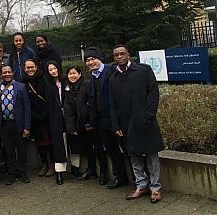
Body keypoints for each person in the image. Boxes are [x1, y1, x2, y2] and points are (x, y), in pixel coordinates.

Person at [109, 45, 164, 204]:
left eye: (122, 54)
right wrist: (116, 125)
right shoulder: (112, 78)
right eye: (116, 55)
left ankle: (155, 188)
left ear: (128, 55)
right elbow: (112, 105)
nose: (119, 57)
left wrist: (148, 115)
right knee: (134, 157)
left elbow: (153, 94)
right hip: (126, 125)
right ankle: (141, 186)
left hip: (145, 122)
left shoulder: (143, 70)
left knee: (152, 156)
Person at [84, 47, 128, 189]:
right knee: (111, 150)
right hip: (102, 121)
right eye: (87, 60)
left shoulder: (112, 69)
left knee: (127, 149)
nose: (91, 62)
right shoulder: (91, 76)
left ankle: (138, 179)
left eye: (93, 59)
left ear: (99, 58)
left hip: (117, 119)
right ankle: (120, 176)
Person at [64, 65, 108, 184]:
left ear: (79, 74)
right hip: (80, 124)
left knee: (98, 148)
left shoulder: (87, 84)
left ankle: (104, 172)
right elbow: (68, 108)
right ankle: (91, 170)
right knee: (88, 148)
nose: (72, 76)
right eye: (70, 74)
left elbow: (92, 103)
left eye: (74, 73)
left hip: (91, 123)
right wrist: (71, 126)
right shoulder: (68, 88)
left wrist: (92, 122)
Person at [0, 64, 31, 185]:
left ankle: (23, 173)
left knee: (21, 150)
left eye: (9, 71)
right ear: (1, 74)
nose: (7, 74)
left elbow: (27, 108)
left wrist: (27, 127)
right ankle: (11, 174)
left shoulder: (21, 87)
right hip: (4, 124)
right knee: (8, 151)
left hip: (18, 123)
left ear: (12, 73)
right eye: (4, 72)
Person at [22, 59, 54, 177]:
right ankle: (44, 164)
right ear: (24, 69)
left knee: (49, 142)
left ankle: (52, 164)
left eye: (32, 67)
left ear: (36, 67)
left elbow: (49, 97)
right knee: (39, 142)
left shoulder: (44, 79)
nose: (30, 70)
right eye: (27, 68)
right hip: (33, 116)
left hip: (46, 115)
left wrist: (44, 114)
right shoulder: (23, 82)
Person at [44, 61, 68, 185]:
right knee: (58, 144)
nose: (53, 71)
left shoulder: (66, 81)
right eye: (50, 70)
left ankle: (75, 167)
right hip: (55, 118)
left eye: (54, 68)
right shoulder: (48, 86)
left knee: (72, 141)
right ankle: (59, 172)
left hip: (69, 117)